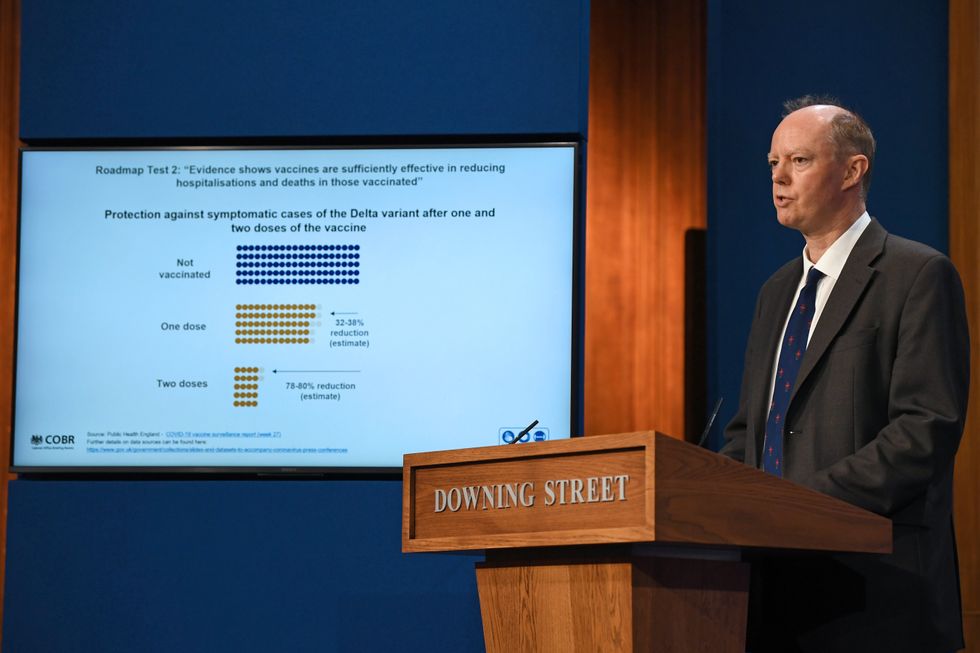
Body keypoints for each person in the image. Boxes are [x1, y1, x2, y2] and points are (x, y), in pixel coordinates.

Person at [720, 95, 969, 652]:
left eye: (799, 161)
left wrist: (802, 507)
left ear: (854, 170)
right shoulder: (776, 292)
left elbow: (924, 429)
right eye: (772, 163)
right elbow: (748, 436)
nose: (779, 178)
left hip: (877, 592)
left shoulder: (917, 274)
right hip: (772, 592)